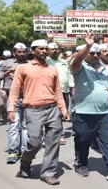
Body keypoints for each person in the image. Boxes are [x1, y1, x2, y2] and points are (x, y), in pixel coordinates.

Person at [70, 33, 108, 181]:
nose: (96, 55)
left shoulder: (106, 69)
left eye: (98, 53)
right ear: (85, 54)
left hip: (105, 113)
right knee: (82, 140)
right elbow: (77, 60)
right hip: (83, 113)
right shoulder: (79, 67)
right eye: (92, 53)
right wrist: (88, 45)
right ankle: (81, 164)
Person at [7, 39, 69, 185]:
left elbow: (58, 91)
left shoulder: (52, 69)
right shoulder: (23, 68)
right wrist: (11, 109)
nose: (43, 51)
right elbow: (15, 89)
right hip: (33, 110)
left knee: (53, 142)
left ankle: (48, 173)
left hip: (52, 109)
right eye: (40, 49)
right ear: (33, 51)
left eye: (45, 48)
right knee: (34, 142)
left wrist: (63, 109)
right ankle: (25, 162)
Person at [0, 43, 28, 164]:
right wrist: (9, 71)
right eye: (19, 52)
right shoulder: (6, 63)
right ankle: (13, 151)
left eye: (24, 52)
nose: (22, 54)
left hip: (28, 98)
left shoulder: (30, 64)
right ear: (14, 53)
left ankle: (24, 151)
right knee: (13, 126)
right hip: (12, 98)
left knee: (25, 126)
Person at [46, 42, 75, 145]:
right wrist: (47, 40)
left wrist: (72, 87)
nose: (54, 51)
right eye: (52, 49)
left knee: (61, 114)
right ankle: (60, 134)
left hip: (64, 91)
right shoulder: (45, 61)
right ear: (47, 50)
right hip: (50, 92)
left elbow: (69, 75)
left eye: (56, 49)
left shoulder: (63, 62)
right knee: (54, 114)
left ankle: (57, 133)